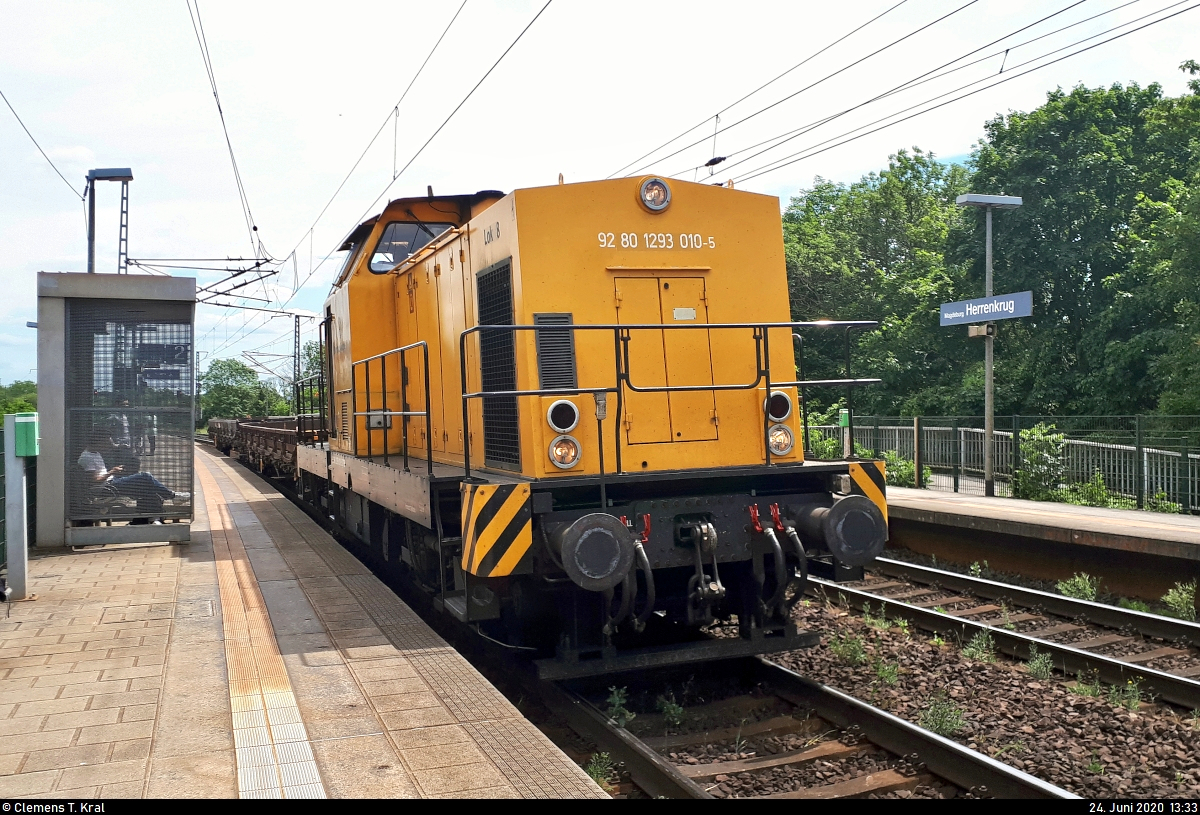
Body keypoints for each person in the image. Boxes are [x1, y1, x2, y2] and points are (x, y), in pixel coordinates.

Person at [79, 432, 188, 522]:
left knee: (146, 488)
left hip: (111, 483)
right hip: (106, 488)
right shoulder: (87, 457)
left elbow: (113, 448)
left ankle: (154, 518)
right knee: (145, 477)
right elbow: (94, 480)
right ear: (99, 442)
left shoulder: (94, 453)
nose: (108, 446)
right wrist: (112, 471)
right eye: (106, 443)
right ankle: (173, 496)